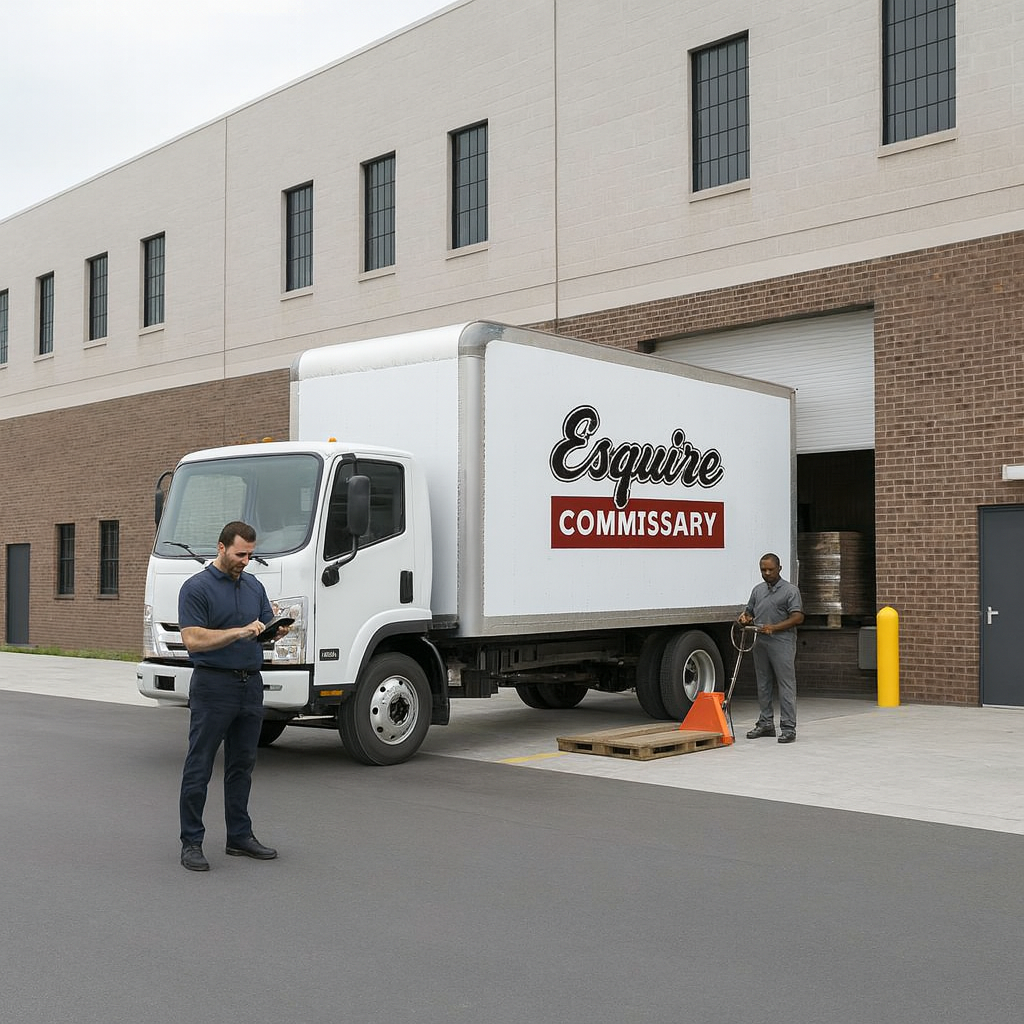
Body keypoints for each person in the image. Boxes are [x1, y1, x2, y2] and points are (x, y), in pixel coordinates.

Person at [177, 521, 288, 872]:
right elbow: (193, 640)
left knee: (242, 765)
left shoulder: (253, 585)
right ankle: (191, 842)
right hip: (213, 686)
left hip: (250, 685)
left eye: (251, 555)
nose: (246, 561)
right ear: (221, 548)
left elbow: (264, 630)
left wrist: (275, 631)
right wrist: (238, 633)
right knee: (200, 764)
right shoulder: (196, 588)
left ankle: (239, 836)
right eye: (241, 554)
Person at [738, 552, 804, 744]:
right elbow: (749, 612)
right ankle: (766, 723)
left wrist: (774, 628)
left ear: (779, 569)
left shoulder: (790, 591)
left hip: (781, 641)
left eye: (770, 569)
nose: (767, 573)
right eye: (763, 570)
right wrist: (744, 619)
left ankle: (788, 727)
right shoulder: (758, 590)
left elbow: (798, 617)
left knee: (786, 684)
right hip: (761, 641)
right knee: (763, 682)